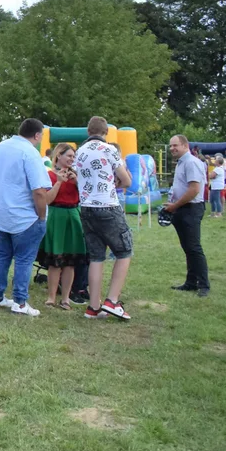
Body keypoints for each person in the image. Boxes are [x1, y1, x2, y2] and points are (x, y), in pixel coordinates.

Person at [0, 118, 52, 317]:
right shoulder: (30, 153)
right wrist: (41, 216)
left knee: (2, 255)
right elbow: (39, 190)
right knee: (24, 259)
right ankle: (20, 302)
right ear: (37, 135)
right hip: (23, 216)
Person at [74, 116, 133, 321]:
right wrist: (113, 183)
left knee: (96, 257)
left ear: (88, 132)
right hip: (107, 205)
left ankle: (93, 306)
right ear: (105, 132)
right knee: (124, 250)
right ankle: (113, 301)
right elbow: (125, 180)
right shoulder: (109, 150)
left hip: (86, 208)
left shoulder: (79, 152)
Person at [42, 143, 87, 311]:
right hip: (57, 216)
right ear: (58, 156)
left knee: (71, 261)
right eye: (69, 156)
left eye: (73, 157)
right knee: (56, 261)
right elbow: (47, 199)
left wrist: (77, 183)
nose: (71, 159)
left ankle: (66, 298)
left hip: (73, 215)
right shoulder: (49, 175)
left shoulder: (77, 176)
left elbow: (85, 197)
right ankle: (51, 297)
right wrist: (59, 183)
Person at [165, 135, 209, 296]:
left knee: (194, 248)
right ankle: (191, 282)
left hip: (191, 208)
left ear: (185, 145)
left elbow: (194, 189)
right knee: (188, 248)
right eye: (170, 146)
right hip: (181, 208)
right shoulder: (181, 163)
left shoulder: (191, 162)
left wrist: (175, 205)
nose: (172, 149)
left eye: (175, 145)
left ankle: (204, 285)